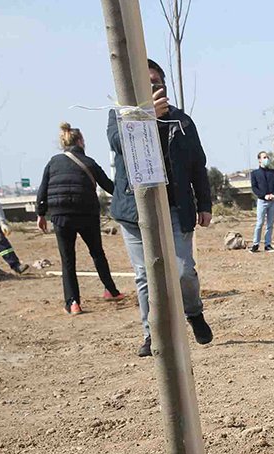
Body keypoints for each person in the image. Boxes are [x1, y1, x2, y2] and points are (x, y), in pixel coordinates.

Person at [107, 58, 213, 357]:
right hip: (134, 212)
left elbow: (197, 165)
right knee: (144, 275)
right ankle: (151, 333)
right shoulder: (120, 117)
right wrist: (145, 117)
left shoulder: (182, 121)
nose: (154, 88)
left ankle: (193, 313)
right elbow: (119, 144)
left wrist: (204, 203)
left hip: (177, 208)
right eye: (147, 84)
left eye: (157, 83)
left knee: (183, 271)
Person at [36, 123, 123, 315]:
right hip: (86, 213)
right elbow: (109, 186)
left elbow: (43, 188)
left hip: (60, 215)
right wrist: (126, 196)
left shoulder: (53, 162)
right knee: (97, 253)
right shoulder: (89, 162)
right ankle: (111, 291)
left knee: (68, 260)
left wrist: (40, 213)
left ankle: (73, 303)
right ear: (80, 141)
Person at [249, 151, 274, 253]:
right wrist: (264, 196)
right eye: (264, 157)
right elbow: (254, 188)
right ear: (259, 160)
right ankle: (255, 244)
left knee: (270, 224)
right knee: (259, 223)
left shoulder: (273, 172)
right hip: (262, 201)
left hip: (273, 201)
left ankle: (268, 244)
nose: (267, 159)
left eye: (267, 157)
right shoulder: (254, 173)